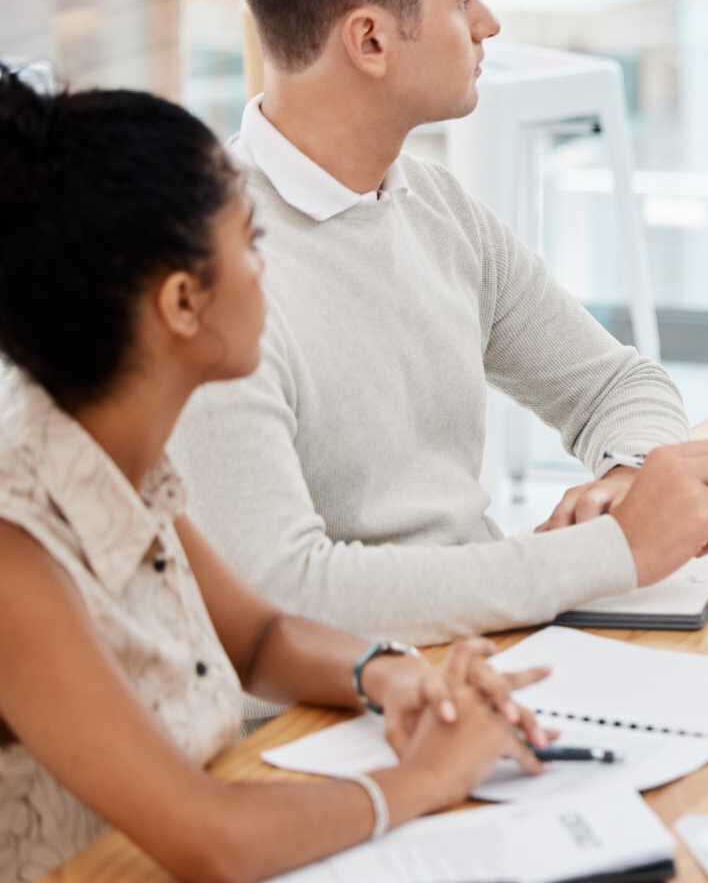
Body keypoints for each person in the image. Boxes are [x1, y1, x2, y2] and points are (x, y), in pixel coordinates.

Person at [167, 0, 708, 644]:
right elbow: (283, 596)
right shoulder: (208, 279)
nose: (489, 23)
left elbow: (615, 387)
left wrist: (630, 476)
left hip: (482, 663)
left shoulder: (436, 208)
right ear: (369, 40)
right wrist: (609, 550)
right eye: (464, 0)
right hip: (333, 715)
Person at [0, 68, 553, 883]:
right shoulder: (18, 555)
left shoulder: (123, 459)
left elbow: (257, 637)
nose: (270, 269)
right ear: (184, 304)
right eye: (251, 244)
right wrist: (428, 777)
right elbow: (211, 838)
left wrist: (390, 675)